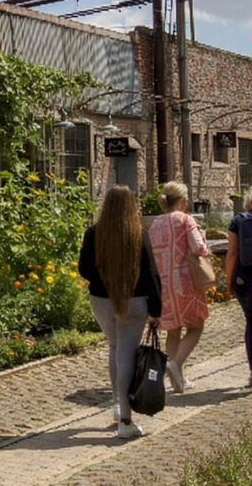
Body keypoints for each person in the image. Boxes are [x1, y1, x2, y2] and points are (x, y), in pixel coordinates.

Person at [78, 185, 162, 439]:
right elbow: (151, 274)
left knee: (115, 349)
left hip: (101, 300)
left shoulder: (94, 233)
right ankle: (126, 420)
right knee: (126, 355)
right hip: (134, 301)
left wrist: (103, 280)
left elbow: (84, 269)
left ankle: (117, 404)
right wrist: (156, 309)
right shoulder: (139, 234)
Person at [148, 181, 209, 394]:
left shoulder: (156, 223)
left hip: (163, 285)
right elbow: (199, 248)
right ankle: (175, 363)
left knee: (173, 332)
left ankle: (178, 381)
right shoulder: (185, 220)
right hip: (185, 283)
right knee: (196, 327)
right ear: (183, 201)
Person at [225, 187, 252, 388]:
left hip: (245, 279)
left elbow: (231, 253)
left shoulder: (238, 221)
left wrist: (230, 279)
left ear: (248, 202)